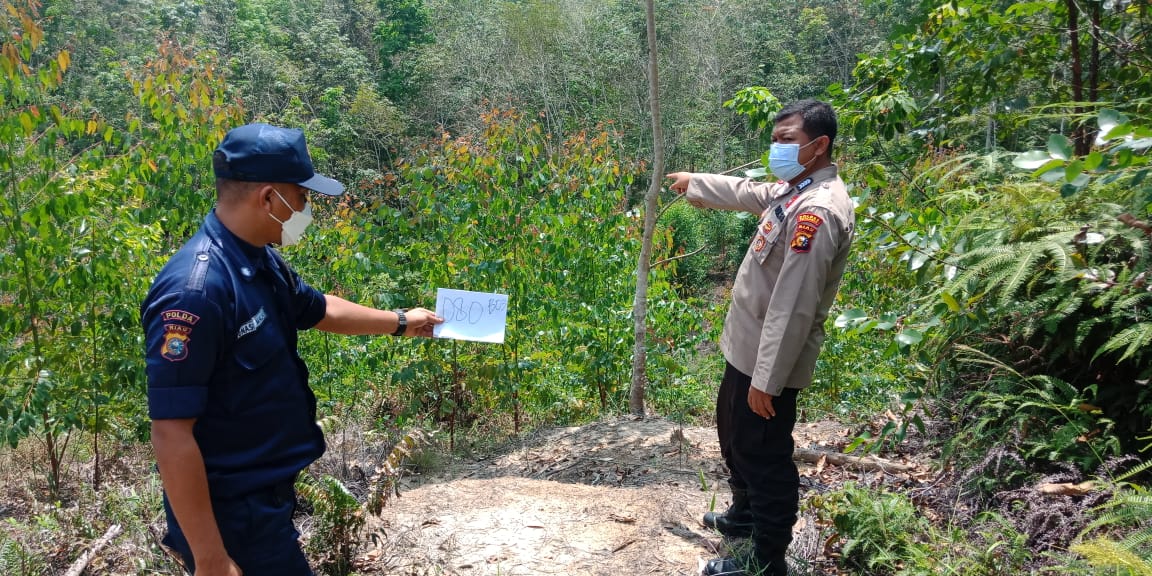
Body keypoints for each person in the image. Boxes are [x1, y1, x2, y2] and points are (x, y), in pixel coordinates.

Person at [142, 123, 444, 576]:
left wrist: (401, 322)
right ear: (268, 198)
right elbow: (171, 434)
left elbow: (318, 308)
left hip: (265, 500)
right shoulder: (196, 294)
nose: (305, 210)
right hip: (229, 514)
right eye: (301, 198)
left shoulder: (258, 258)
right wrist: (210, 558)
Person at [666, 99, 854, 576]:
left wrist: (766, 381)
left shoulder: (818, 210)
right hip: (744, 348)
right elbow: (752, 192)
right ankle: (744, 517)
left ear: (819, 145)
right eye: (774, 138)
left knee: (764, 456)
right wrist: (697, 184)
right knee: (733, 437)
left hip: (769, 363)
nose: (777, 147)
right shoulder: (795, 190)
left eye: (787, 139)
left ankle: (767, 560)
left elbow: (793, 307)